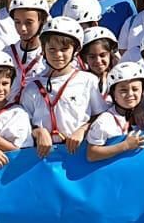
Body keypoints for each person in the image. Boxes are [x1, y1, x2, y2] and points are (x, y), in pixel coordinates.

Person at [24, 15, 103, 155]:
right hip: (43, 156)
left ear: (75, 50)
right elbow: (24, 123)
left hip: (78, 153)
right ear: (43, 49)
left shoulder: (88, 80)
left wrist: (82, 130)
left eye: (64, 49)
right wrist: (38, 132)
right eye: (52, 49)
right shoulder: (32, 87)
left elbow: (100, 115)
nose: (58, 55)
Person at [84, 61, 144, 162]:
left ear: (143, 92)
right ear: (113, 93)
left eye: (135, 89)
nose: (130, 94)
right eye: (123, 90)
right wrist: (125, 145)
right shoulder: (105, 121)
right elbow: (91, 154)